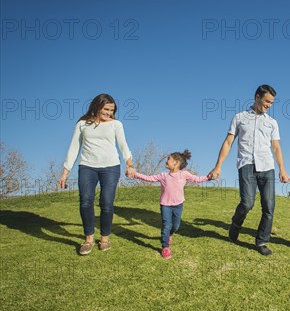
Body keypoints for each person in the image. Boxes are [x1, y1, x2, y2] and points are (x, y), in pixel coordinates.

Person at [207, 84, 289, 256]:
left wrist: (282, 169)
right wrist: (218, 166)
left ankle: (261, 242)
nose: (269, 105)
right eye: (266, 101)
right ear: (257, 97)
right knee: (247, 203)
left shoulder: (272, 123)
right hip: (246, 165)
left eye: (272, 103)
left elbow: (276, 147)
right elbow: (228, 142)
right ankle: (236, 223)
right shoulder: (240, 118)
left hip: (267, 167)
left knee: (269, 206)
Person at [58, 93, 134, 255]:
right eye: (106, 109)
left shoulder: (116, 124)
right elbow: (73, 148)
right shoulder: (82, 124)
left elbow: (123, 145)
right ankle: (88, 239)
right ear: (97, 106)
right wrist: (65, 173)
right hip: (87, 167)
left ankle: (105, 239)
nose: (109, 112)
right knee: (85, 201)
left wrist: (130, 165)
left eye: (112, 110)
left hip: (111, 167)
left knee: (106, 202)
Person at [128, 150, 209, 259]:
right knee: (166, 225)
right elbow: (148, 178)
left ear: (176, 163)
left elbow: (197, 179)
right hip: (165, 205)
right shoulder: (163, 176)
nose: (166, 161)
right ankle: (165, 247)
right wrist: (135, 174)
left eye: (168, 160)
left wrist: (209, 177)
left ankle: (169, 234)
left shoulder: (184, 174)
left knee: (175, 226)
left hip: (178, 205)